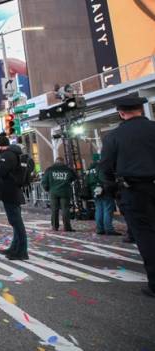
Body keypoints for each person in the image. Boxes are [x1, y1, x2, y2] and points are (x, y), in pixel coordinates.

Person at [99, 95, 155, 298]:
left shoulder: (114, 136)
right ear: (141, 109)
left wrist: (114, 190)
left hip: (134, 190)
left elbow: (105, 167)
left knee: (146, 235)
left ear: (121, 113)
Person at [0, 133, 29, 260]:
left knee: (16, 223)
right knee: (16, 222)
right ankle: (15, 248)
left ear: (1, 146)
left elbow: (1, 172)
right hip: (13, 192)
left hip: (10, 192)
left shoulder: (8, 155)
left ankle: (21, 251)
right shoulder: (13, 154)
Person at [86, 156, 120, 236]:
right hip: (104, 190)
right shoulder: (101, 167)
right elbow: (104, 179)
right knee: (108, 209)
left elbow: (87, 181)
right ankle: (109, 229)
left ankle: (100, 228)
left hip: (94, 191)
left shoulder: (89, 169)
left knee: (98, 209)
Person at [41, 157, 77, 232]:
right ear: (63, 162)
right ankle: (67, 227)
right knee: (65, 209)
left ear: (55, 162)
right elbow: (74, 177)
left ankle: (55, 226)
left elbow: (44, 181)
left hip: (53, 192)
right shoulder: (67, 169)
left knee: (54, 209)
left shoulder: (50, 169)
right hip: (65, 191)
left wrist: (47, 189)